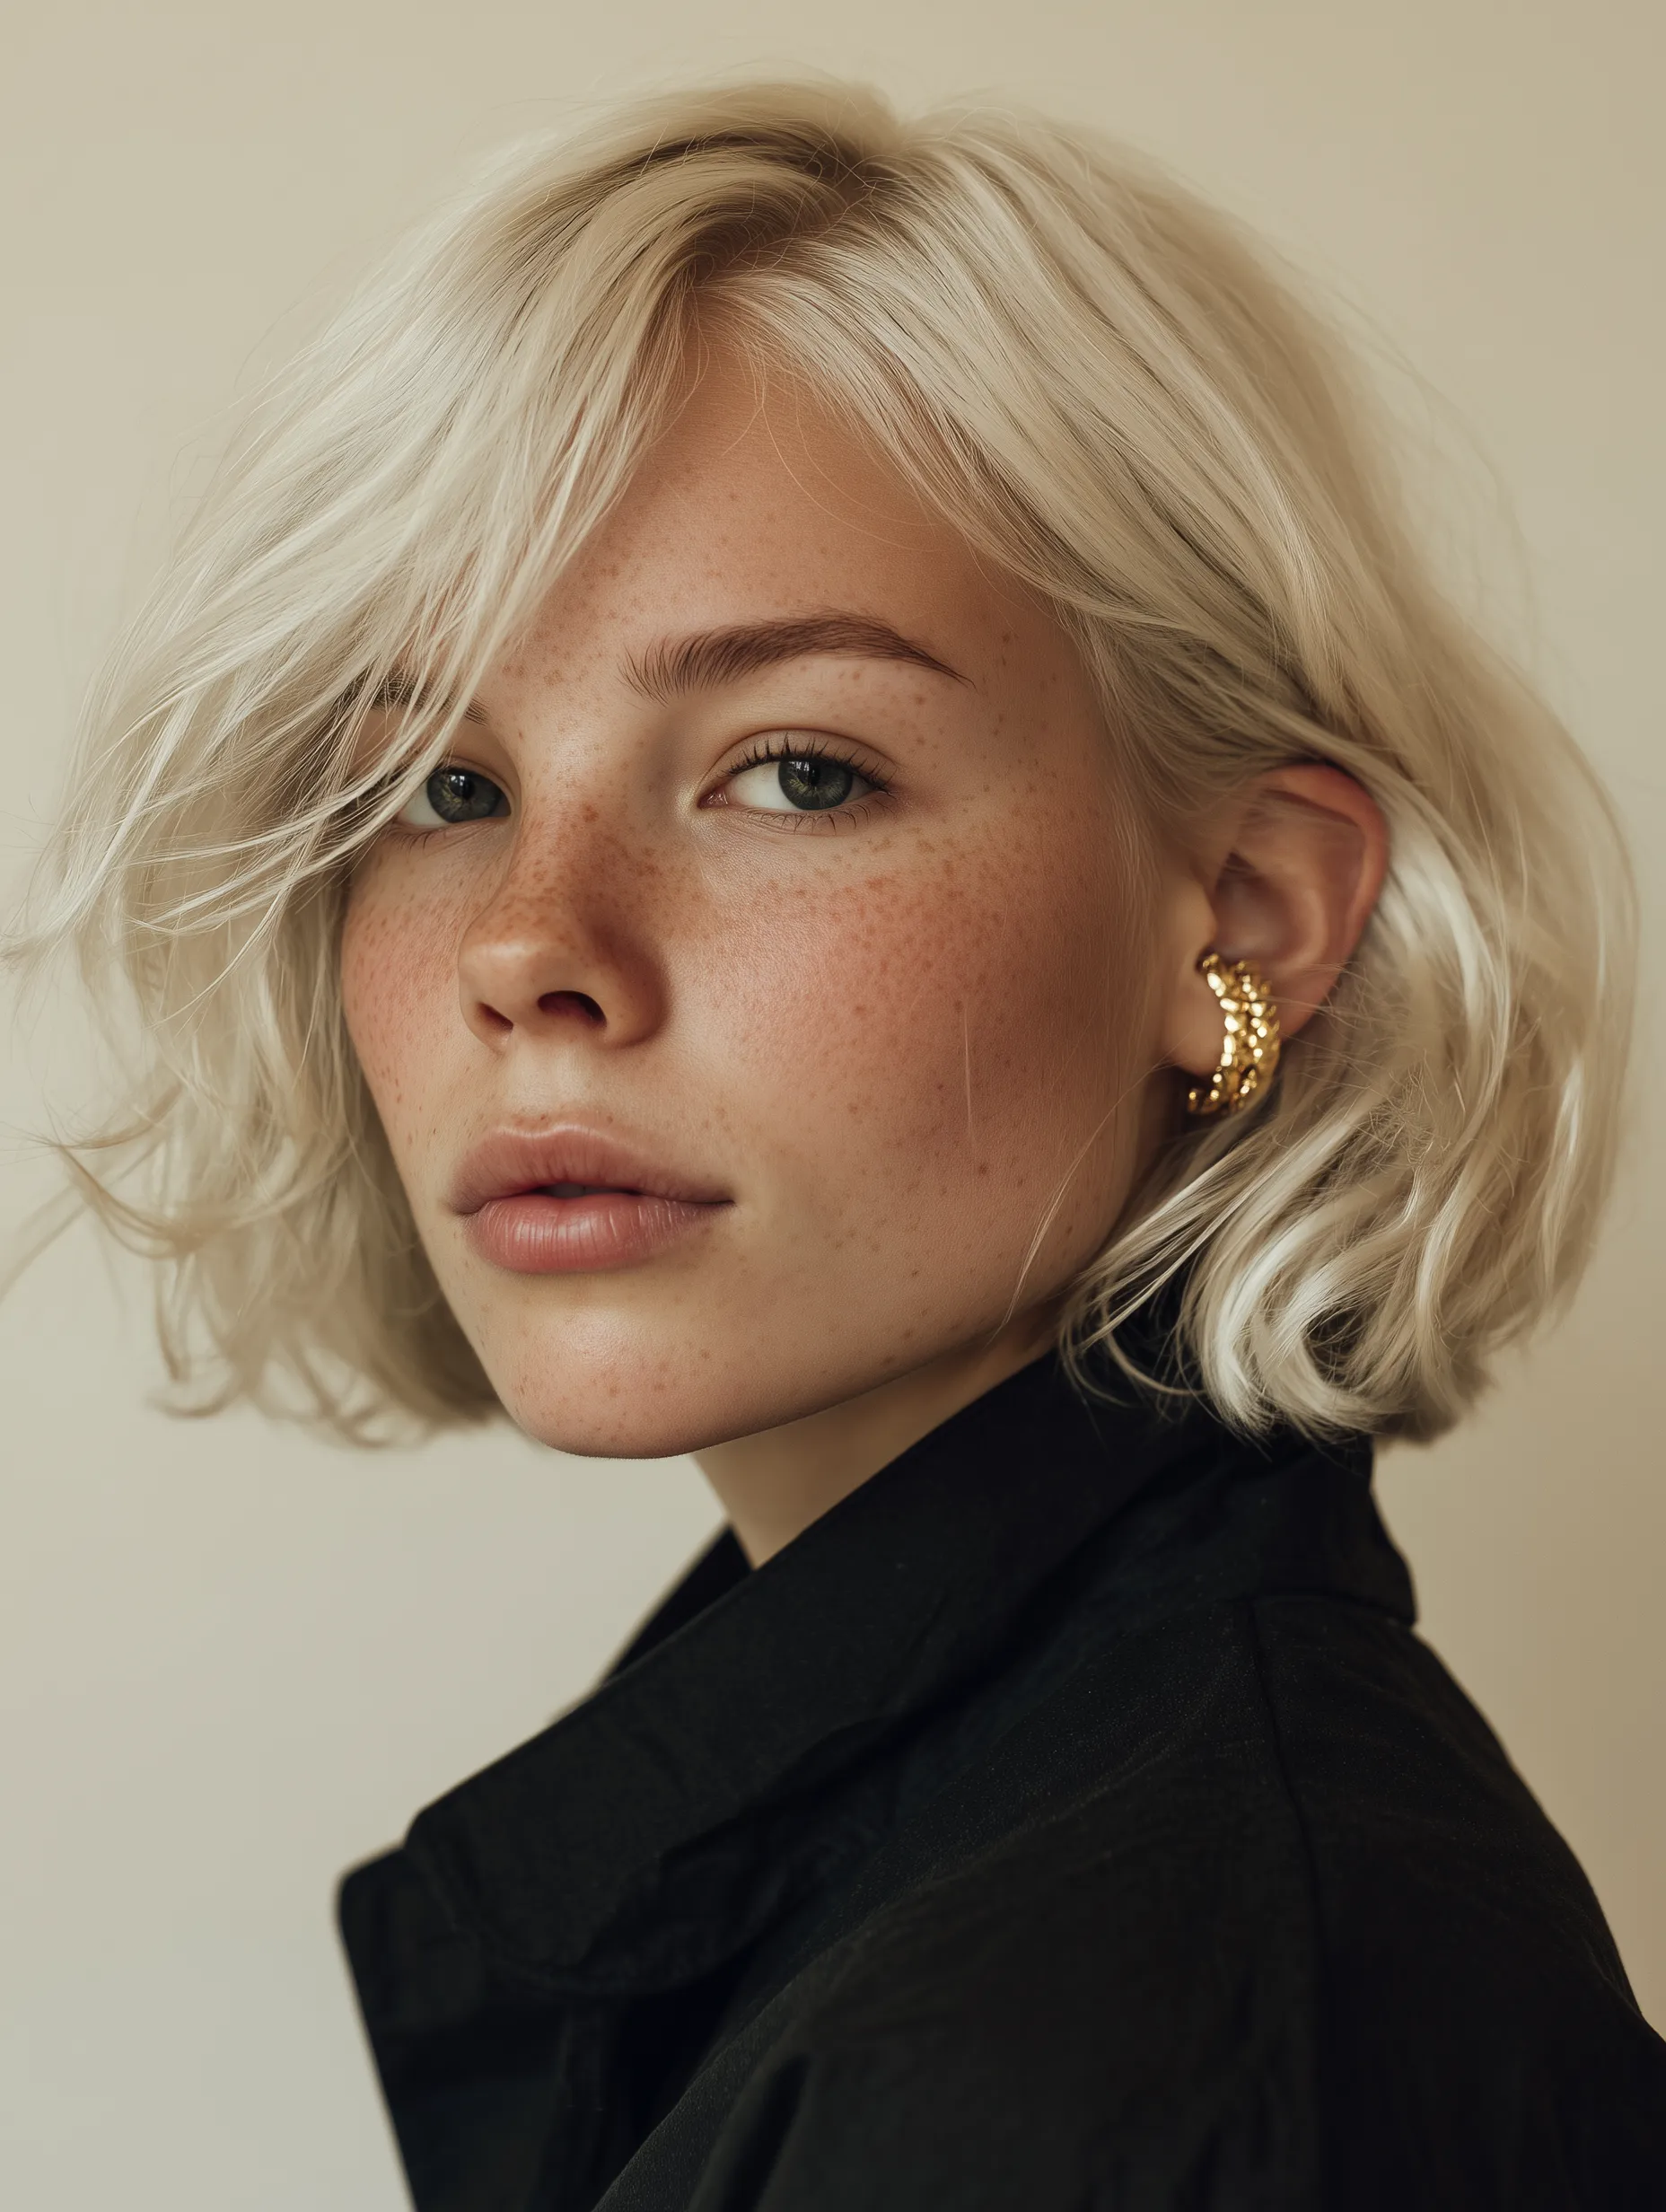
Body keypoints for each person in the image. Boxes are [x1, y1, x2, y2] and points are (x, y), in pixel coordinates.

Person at [14, 77, 1664, 2211]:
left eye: (794, 772)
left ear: (1238, 913)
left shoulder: (1118, 2065)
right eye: (439, 785)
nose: (532, 944)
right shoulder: (1020, 1887)